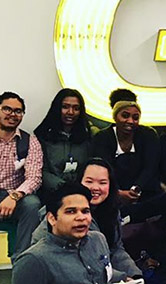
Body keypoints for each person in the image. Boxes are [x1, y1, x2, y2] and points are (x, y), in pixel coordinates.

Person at [30, 158, 141, 281]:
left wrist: (135, 276)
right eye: (89, 181)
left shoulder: (112, 212)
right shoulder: (55, 219)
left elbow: (116, 250)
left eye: (102, 183)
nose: (95, 188)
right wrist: (119, 277)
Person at [12, 183, 110, 284]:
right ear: (52, 218)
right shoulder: (33, 260)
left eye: (85, 211)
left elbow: (106, 274)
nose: (81, 217)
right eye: (71, 211)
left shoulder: (98, 240)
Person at [91, 99, 161, 211]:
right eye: (125, 116)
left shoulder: (148, 135)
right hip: (112, 191)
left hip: (143, 190)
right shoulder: (102, 137)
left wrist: (135, 189)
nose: (130, 121)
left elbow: (150, 167)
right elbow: (103, 169)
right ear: (115, 117)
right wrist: (117, 193)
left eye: (135, 118)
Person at [0, 91, 43, 260]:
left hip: (14, 195)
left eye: (18, 111)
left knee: (32, 204)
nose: (12, 114)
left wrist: (14, 196)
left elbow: (34, 177)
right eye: (7, 109)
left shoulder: (29, 141)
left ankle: (22, 258)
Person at [33, 88, 93, 196]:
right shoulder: (42, 137)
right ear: (57, 108)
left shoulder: (87, 138)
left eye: (76, 108)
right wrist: (63, 188)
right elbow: (41, 171)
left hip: (80, 192)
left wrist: (78, 189)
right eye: (65, 107)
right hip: (51, 192)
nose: (70, 112)